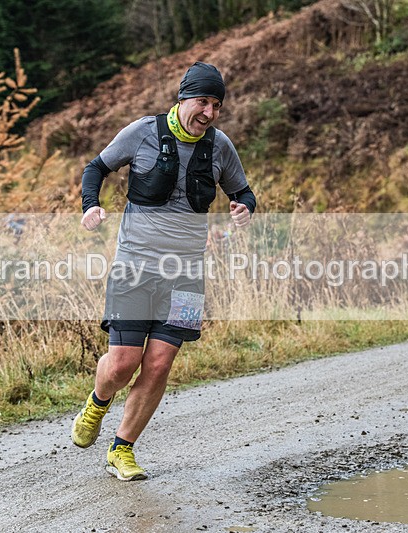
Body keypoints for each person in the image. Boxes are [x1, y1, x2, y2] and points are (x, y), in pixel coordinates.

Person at [73, 62, 256, 480]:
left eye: (216, 105)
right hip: (134, 267)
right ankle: (98, 402)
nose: (209, 112)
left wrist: (245, 208)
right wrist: (91, 205)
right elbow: (95, 167)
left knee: (158, 364)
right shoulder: (143, 132)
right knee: (122, 363)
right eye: (202, 102)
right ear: (182, 98)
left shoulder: (221, 146)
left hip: (187, 275)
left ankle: (123, 449)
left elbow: (243, 191)